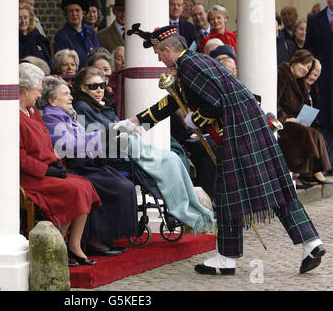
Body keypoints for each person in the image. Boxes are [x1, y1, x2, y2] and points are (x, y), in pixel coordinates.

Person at [116, 24, 325, 275]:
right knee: (274, 188)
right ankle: (311, 242)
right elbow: (174, 100)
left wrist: (198, 118)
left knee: (228, 195)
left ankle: (226, 258)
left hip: (238, 134)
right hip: (248, 131)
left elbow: (215, 103)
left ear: (168, 49)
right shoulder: (195, 62)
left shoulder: (190, 66)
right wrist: (136, 122)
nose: (159, 59)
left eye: (159, 54)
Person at [73, 66, 215, 235]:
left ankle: (184, 207)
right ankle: (178, 209)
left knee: (173, 157)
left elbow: (120, 126)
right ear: (82, 88)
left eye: (102, 85)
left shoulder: (101, 105)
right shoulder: (82, 106)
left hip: (124, 148)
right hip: (113, 155)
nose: (99, 90)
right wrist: (124, 131)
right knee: (169, 160)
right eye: (93, 86)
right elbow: (96, 135)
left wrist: (130, 128)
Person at [40, 76, 138, 256]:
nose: (71, 97)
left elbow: (83, 137)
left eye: (70, 93)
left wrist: (108, 136)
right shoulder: (51, 117)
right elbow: (68, 145)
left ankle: (107, 237)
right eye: (65, 94)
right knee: (116, 187)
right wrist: (103, 136)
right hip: (71, 168)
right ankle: (94, 239)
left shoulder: (67, 114)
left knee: (125, 184)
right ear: (52, 100)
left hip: (85, 163)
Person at [18, 63, 101, 266]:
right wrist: (47, 170)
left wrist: (56, 165)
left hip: (48, 169)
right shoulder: (15, 115)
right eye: (38, 89)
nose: (39, 95)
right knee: (74, 189)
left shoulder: (31, 111)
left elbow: (46, 145)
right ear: (26, 88)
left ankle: (74, 245)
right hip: (31, 177)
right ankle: (58, 244)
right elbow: (21, 158)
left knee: (85, 185)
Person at [277, 50, 331, 188]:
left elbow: (305, 104)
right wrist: (285, 119)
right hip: (282, 122)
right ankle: (295, 173)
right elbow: (275, 101)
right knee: (304, 133)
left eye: (308, 68)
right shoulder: (281, 75)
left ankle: (310, 172)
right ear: (295, 61)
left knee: (315, 133)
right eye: (304, 65)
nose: (305, 70)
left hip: (295, 120)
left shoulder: (298, 81)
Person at [305, 0, 333, 176]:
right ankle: (327, 164)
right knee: (323, 122)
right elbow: (310, 49)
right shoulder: (315, 19)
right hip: (322, 80)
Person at [54, 0, 100, 70]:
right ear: (66, 14)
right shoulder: (61, 36)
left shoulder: (91, 32)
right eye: (71, 11)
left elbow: (99, 54)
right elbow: (62, 63)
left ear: (83, 13)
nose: (74, 14)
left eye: (77, 10)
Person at [18, 2, 51, 67]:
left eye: (25, 17)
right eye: (19, 18)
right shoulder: (11, 40)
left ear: (30, 19)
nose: (23, 21)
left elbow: (48, 62)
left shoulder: (39, 39)